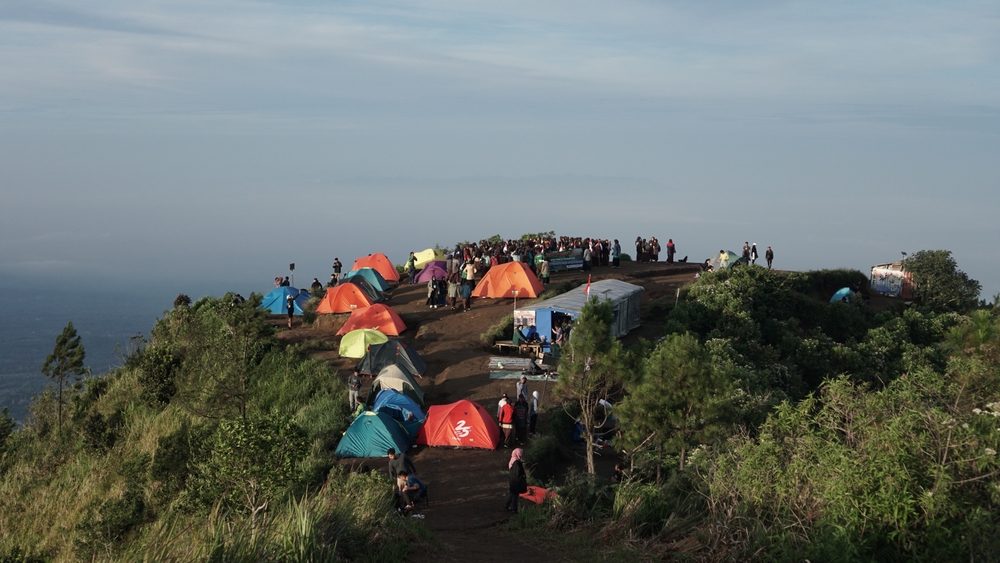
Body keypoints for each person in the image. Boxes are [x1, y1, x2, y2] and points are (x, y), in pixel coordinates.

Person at [505, 448, 528, 514]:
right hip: (516, 481)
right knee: (515, 495)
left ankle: (507, 504)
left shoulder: (512, 460)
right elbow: (518, 473)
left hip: (512, 480)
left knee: (512, 493)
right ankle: (514, 508)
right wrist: (523, 477)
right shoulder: (517, 463)